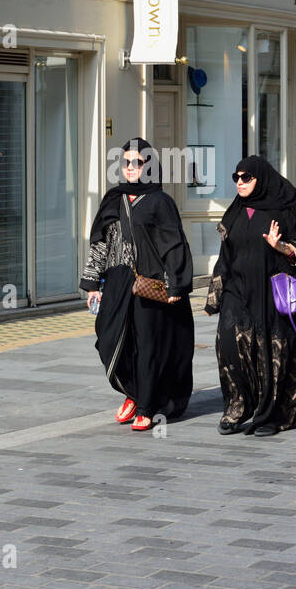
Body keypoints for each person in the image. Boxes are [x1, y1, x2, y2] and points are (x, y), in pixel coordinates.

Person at [82, 137, 194, 431]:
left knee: (147, 345)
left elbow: (174, 246)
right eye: (126, 162)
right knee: (108, 340)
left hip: (149, 285)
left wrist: (176, 287)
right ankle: (131, 391)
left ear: (149, 166)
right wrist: (93, 283)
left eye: (137, 162)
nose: (130, 167)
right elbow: (100, 242)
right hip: (118, 283)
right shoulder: (113, 198)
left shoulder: (160, 202)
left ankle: (146, 405)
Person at [204, 156, 296, 437]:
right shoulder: (235, 212)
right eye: (236, 177)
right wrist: (214, 297)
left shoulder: (281, 211)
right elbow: (225, 257)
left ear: (260, 179)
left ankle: (271, 415)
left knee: (269, 354)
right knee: (228, 346)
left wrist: (281, 246)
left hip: (271, 293)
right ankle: (237, 407)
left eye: (246, 178)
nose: (240, 182)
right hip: (237, 291)